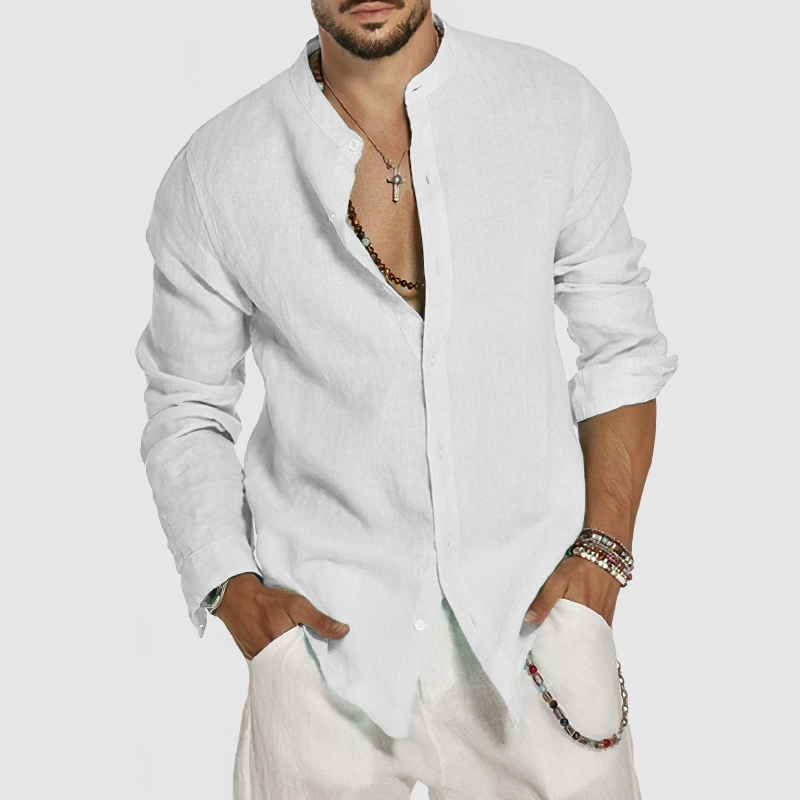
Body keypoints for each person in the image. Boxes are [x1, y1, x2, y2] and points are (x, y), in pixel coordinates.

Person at [135, 2, 678, 798]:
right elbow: (187, 405)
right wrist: (233, 590)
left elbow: (621, 350)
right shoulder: (218, 171)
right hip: (323, 659)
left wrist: (602, 560)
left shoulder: (552, 108)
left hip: (534, 638)